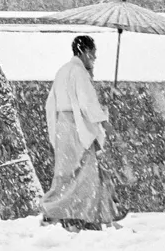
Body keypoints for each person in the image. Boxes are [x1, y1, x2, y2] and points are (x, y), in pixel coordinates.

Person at [40, 34, 126, 231]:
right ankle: (78, 214)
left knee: (66, 173)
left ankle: (76, 212)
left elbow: (51, 102)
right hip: (77, 128)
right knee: (86, 173)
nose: (94, 59)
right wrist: (104, 122)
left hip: (63, 125)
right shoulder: (79, 73)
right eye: (93, 55)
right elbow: (87, 103)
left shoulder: (63, 71)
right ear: (86, 52)